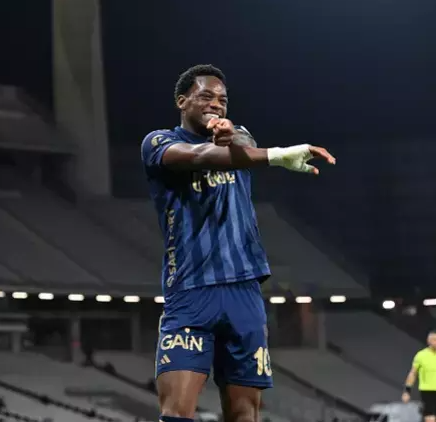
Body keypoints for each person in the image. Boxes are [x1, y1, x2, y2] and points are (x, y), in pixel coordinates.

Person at [141, 64, 336, 422]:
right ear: (182, 101)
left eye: (222, 100)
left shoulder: (240, 137)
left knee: (245, 413)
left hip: (244, 292)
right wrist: (279, 155)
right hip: (190, 292)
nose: (215, 104)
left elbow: (245, 149)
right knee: (176, 413)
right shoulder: (158, 143)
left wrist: (232, 135)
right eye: (206, 96)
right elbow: (199, 157)